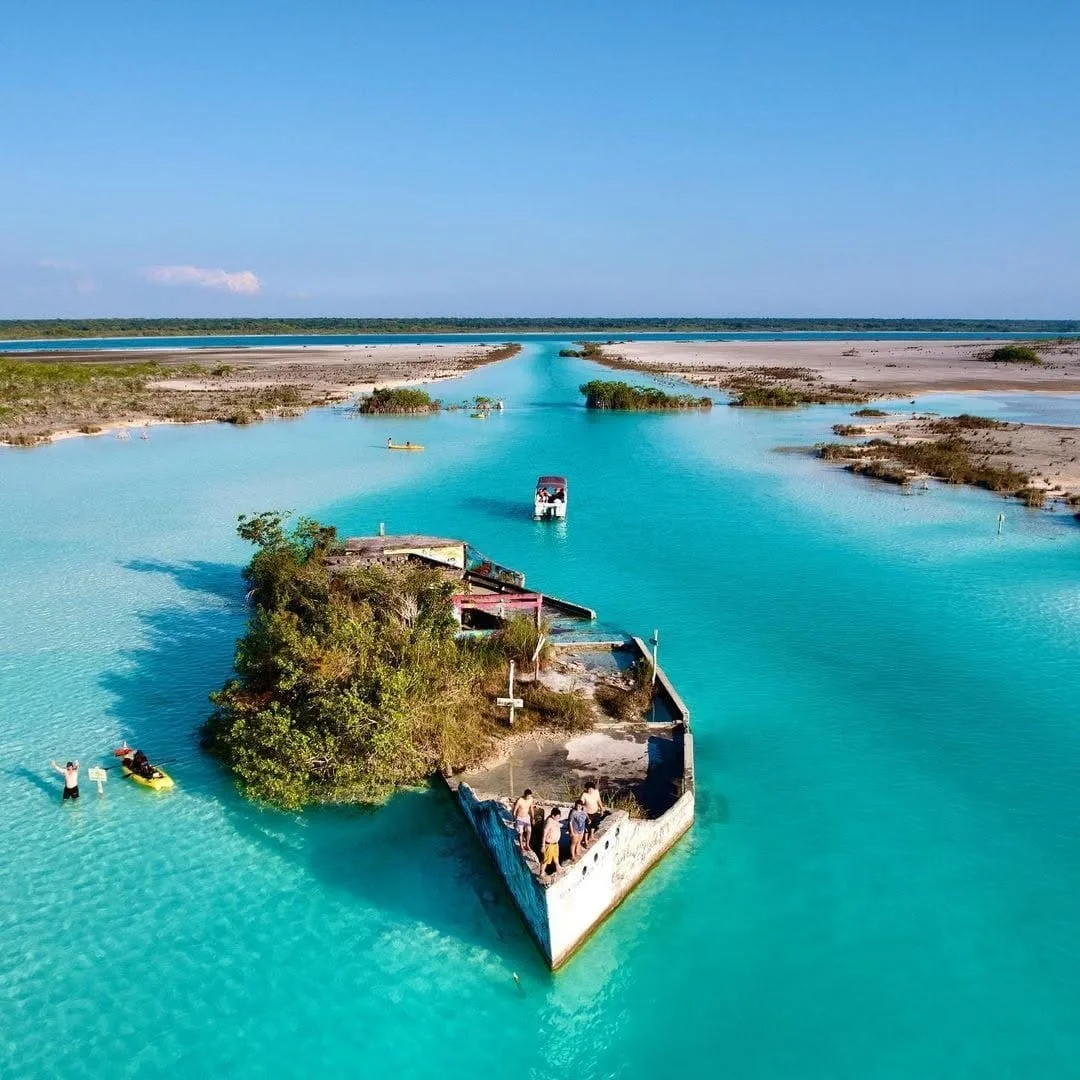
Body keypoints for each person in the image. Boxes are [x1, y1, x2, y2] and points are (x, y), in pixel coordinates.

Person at [511, 789, 535, 855]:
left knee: (529, 831)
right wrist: (514, 819)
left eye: (530, 796)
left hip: (527, 817)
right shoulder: (520, 800)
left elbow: (532, 809)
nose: (529, 798)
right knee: (520, 833)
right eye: (528, 796)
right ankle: (522, 847)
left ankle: (527, 845)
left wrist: (533, 818)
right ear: (525, 795)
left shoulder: (531, 799)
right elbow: (514, 810)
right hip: (519, 818)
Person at [541, 807, 562, 877]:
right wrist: (543, 845)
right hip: (549, 844)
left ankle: (558, 867)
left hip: (555, 843)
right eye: (557, 817)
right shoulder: (549, 821)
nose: (558, 818)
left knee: (556, 856)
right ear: (553, 816)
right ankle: (542, 872)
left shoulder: (554, 819)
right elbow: (544, 833)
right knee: (546, 859)